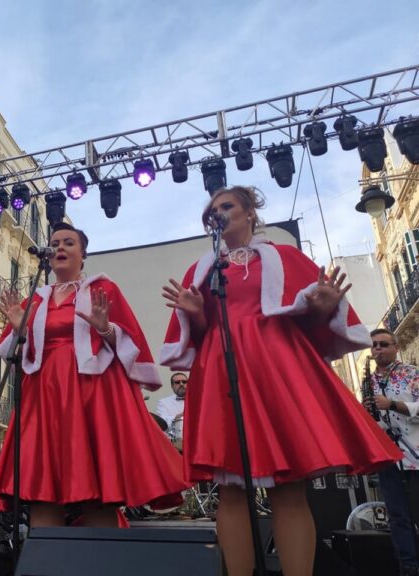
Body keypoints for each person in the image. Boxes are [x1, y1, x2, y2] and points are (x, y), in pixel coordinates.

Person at [161, 185, 401, 576]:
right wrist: (196, 314)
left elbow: (313, 323)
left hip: (275, 368)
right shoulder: (201, 269)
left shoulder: (285, 257)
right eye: (211, 209)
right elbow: (201, 334)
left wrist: (323, 308)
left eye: (226, 206)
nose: (216, 213)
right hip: (223, 371)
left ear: (250, 213)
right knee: (230, 491)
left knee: (288, 490)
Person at [0, 222, 187, 528]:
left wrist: (104, 328)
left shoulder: (103, 289)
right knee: (44, 490)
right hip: (45, 394)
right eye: (55, 243)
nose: (59, 247)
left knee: (98, 489)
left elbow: (130, 341)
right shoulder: (37, 298)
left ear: (83, 255)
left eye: (68, 242)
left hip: (91, 391)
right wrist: (20, 330)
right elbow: (11, 353)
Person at [366, 328, 419, 576]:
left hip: (415, 454)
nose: (378, 349)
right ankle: (408, 565)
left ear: (396, 347)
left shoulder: (411, 373)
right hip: (388, 456)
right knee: (397, 515)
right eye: (374, 345)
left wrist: (394, 405)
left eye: (383, 344)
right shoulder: (370, 381)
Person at [155, 372, 188, 443]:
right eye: (177, 382)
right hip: (176, 443)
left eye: (184, 382)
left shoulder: (199, 400)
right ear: (172, 386)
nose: (181, 384)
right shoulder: (163, 402)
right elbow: (163, 422)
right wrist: (179, 416)